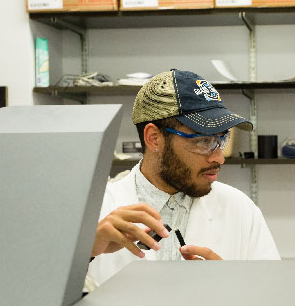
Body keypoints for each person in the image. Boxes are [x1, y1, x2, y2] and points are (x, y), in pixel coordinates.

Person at [88, 69, 280, 285]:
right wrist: (86, 252)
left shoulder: (241, 210)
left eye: (221, 140)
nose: (219, 158)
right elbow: (50, 299)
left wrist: (231, 286)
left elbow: (274, 298)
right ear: (154, 139)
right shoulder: (93, 212)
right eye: (204, 141)